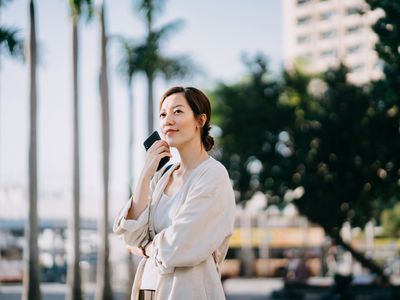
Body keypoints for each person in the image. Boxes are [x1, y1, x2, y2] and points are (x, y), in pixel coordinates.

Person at [113, 86, 236, 300]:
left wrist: (146, 249)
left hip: (188, 291)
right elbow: (131, 236)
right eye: (163, 114)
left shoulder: (213, 175)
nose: (168, 120)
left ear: (201, 120)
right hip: (148, 291)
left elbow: (180, 244)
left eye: (177, 111)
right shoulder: (163, 176)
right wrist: (145, 175)